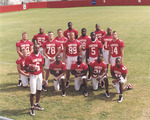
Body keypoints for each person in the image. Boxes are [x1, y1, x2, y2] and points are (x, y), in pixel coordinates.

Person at [24, 44, 44, 116]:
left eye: (38, 48)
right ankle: (32, 107)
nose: (37, 49)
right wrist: (31, 70)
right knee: (33, 92)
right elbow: (25, 67)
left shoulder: (41, 56)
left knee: (39, 90)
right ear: (33, 48)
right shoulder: (29, 57)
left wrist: (43, 78)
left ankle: (36, 104)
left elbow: (42, 67)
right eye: (35, 48)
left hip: (40, 75)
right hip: (33, 76)